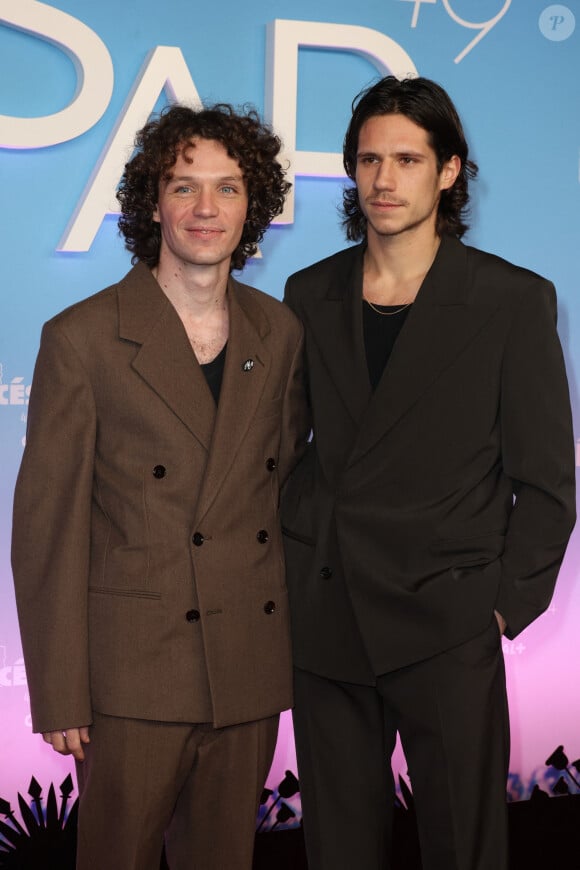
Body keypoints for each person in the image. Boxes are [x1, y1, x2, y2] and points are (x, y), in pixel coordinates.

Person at [281, 75, 575, 870]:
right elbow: (287, 454)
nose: (384, 179)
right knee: (337, 848)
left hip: (447, 619)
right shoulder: (308, 294)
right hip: (329, 614)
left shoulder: (512, 300)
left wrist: (502, 608)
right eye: (370, 159)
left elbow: (546, 480)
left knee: (464, 848)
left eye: (408, 159)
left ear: (449, 171)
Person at [12, 102, 308, 870]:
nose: (207, 209)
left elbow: (278, 492)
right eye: (184, 187)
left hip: (244, 669)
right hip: (130, 679)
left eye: (228, 188)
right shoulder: (81, 338)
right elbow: (47, 530)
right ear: (153, 201)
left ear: (255, 205)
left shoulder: (279, 333)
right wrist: (60, 690)